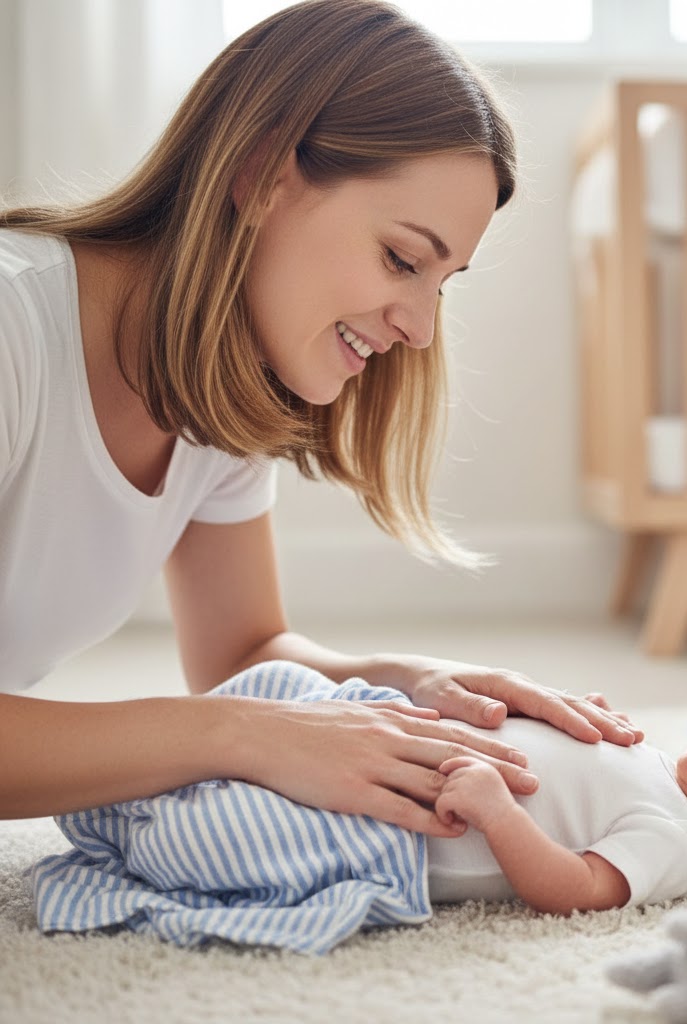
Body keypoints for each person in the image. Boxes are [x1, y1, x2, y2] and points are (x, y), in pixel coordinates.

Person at [0, 0, 643, 829]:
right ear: (263, 173)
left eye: (439, 284)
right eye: (402, 259)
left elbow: (242, 654)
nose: (419, 327)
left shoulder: (219, 382)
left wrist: (401, 682)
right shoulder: (15, 329)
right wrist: (241, 732)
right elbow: (236, 707)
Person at [30, 662, 687, 952]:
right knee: (283, 688)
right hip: (387, 730)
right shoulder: (654, 763)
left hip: (393, 829)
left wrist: (496, 809)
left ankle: (124, 818)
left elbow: (575, 889)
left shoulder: (680, 846)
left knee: (225, 834)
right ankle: (135, 761)